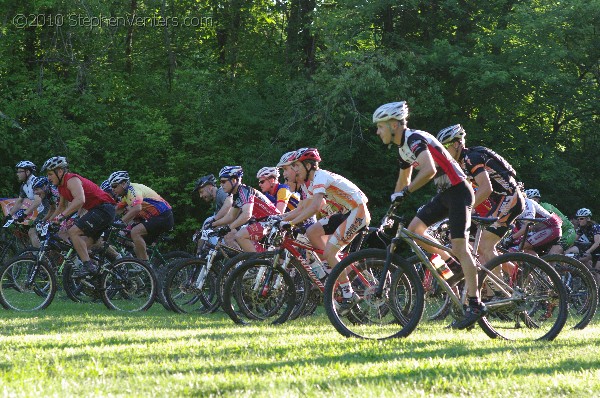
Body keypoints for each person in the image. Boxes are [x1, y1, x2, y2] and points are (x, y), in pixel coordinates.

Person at [373, 103, 483, 329]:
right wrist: (392, 206)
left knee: (460, 246)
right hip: (445, 193)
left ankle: (475, 304)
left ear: (394, 125)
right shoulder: (403, 147)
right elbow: (403, 179)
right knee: (414, 231)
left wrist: (405, 192)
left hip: (459, 191)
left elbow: (429, 169)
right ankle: (453, 264)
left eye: (380, 127)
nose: (378, 132)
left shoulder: (414, 139)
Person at [285, 148, 370, 312]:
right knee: (312, 232)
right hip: (345, 213)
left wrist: (291, 224)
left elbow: (315, 207)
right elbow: (304, 208)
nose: (294, 170)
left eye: (297, 166)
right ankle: (332, 271)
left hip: (357, 211)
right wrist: (282, 220)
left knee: (330, 252)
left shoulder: (320, 177)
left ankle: (348, 294)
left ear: (309, 166)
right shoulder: (309, 184)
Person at [437, 124, 525, 266]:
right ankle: (502, 279)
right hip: (500, 201)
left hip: (510, 198)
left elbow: (486, 189)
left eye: (445, 147)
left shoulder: (472, 158)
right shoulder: (462, 164)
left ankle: (498, 287)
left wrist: (463, 211)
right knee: (479, 247)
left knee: (485, 246)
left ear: (456, 144)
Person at [43, 156, 116, 277]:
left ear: (60, 171)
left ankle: (88, 267)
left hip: (104, 209)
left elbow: (80, 200)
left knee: (73, 232)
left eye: (50, 174)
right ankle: (105, 272)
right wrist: (48, 222)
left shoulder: (72, 180)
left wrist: (61, 217)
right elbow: (61, 207)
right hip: (98, 210)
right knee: (83, 247)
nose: (48, 178)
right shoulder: (61, 187)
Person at [108, 171, 174, 262]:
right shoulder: (125, 196)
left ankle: (145, 266)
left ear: (123, 184)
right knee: (134, 244)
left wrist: (121, 222)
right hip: (155, 218)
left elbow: (137, 208)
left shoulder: (133, 190)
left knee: (135, 232)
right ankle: (141, 266)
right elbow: (117, 210)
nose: (112, 189)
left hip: (163, 215)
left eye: (114, 186)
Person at [211, 166, 280, 252]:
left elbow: (247, 215)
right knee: (241, 237)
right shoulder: (237, 195)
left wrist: (229, 228)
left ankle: (259, 263)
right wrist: (213, 223)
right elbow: (231, 216)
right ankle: (261, 261)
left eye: (223, 181)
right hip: (263, 221)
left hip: (272, 221)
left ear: (233, 180)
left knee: (240, 235)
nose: (221, 185)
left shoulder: (244, 191)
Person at [523, 188, 576, 254]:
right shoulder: (532, 211)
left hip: (567, 231)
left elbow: (549, 222)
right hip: (553, 233)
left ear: (536, 200)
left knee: (553, 251)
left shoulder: (545, 206)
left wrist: (532, 228)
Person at [5, 161, 44, 248]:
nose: (17, 174)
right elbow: (19, 202)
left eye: (20, 171)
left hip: (49, 209)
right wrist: (9, 215)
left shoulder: (36, 182)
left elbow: (38, 201)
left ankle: (39, 258)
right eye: (17, 171)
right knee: (36, 233)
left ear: (28, 172)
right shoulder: (24, 185)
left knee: (32, 232)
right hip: (41, 211)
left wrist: (25, 214)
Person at [191, 174, 234, 251]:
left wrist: (214, 220)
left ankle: (241, 262)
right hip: (235, 225)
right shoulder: (217, 201)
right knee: (207, 225)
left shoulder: (221, 192)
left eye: (201, 192)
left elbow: (228, 205)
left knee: (209, 222)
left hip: (242, 224)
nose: (201, 196)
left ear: (210, 188)